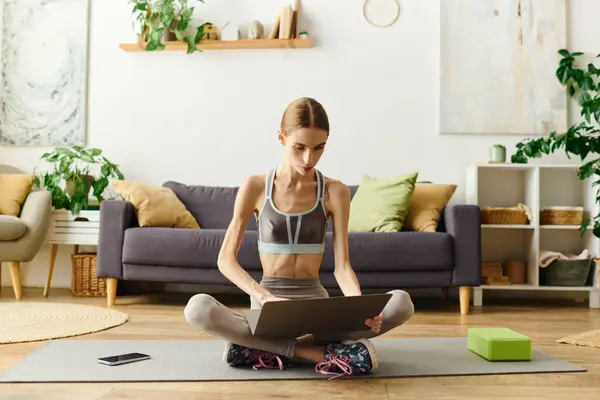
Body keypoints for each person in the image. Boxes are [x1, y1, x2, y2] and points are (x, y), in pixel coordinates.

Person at [184, 97, 414, 378]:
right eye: (299, 147)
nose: (309, 158)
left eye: (319, 148)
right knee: (198, 308)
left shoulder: (335, 191)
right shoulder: (255, 187)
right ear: (281, 138)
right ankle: (316, 353)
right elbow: (225, 259)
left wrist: (358, 307)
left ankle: (262, 348)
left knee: (402, 302)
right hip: (269, 304)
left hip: (317, 304)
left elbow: (342, 267)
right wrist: (264, 297)